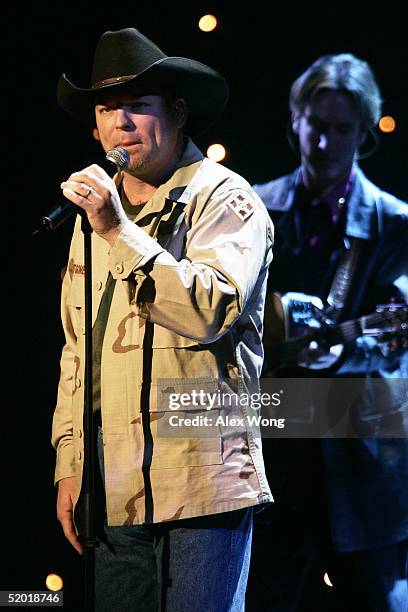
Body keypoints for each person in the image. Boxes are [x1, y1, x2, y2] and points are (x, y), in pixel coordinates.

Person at [51, 26, 274, 611]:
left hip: (203, 484)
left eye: (138, 106)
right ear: (95, 128)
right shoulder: (93, 219)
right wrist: (71, 463)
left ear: (176, 113)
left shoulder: (226, 199)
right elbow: (79, 350)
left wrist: (119, 233)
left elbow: (210, 308)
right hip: (114, 487)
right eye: (107, 108)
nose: (121, 122)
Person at [246, 54, 408, 611]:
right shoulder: (253, 208)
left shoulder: (394, 222)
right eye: (317, 127)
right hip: (268, 455)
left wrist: (327, 354)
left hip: (359, 459)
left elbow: (394, 343)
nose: (326, 143)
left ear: (364, 132)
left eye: (342, 130)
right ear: (296, 121)